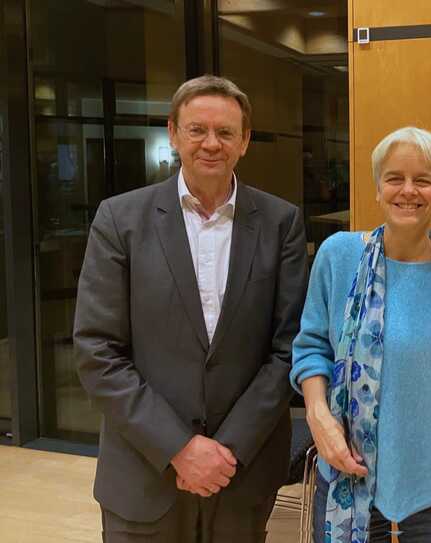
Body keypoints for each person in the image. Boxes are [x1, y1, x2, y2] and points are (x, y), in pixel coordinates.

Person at [74, 75, 308, 542]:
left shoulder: (281, 223)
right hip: (144, 473)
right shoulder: (120, 220)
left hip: (240, 474)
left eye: (225, 132)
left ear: (244, 141)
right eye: (197, 129)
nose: (211, 143)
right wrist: (179, 447)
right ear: (173, 133)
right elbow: (97, 350)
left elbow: (289, 348)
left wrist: (225, 451)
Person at [290, 127, 431, 543]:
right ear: (378, 187)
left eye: (424, 180)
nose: (408, 190)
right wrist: (318, 417)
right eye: (395, 178)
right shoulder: (339, 256)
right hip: (349, 473)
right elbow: (311, 347)